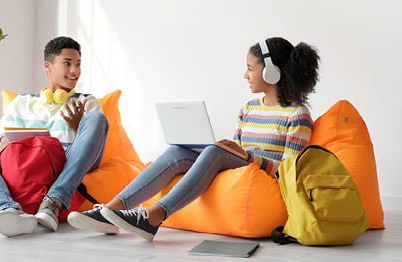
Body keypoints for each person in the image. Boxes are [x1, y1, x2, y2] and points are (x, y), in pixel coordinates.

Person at [67, 37, 320, 241]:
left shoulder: (298, 116)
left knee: (213, 152)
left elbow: (289, 173)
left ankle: (154, 217)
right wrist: (229, 149)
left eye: (250, 68)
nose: (245, 74)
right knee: (179, 150)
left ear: (272, 73)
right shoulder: (249, 108)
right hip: (242, 167)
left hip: (265, 178)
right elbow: (237, 149)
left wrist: (243, 155)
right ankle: (112, 209)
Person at [0, 36, 108, 237]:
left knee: (96, 118)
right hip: (28, 164)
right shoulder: (21, 102)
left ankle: (53, 202)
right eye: (67, 64)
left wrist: (77, 129)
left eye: (78, 64)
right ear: (48, 66)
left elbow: (92, 158)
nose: (74, 71)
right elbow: (5, 148)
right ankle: (7, 210)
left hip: (67, 164)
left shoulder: (86, 102)